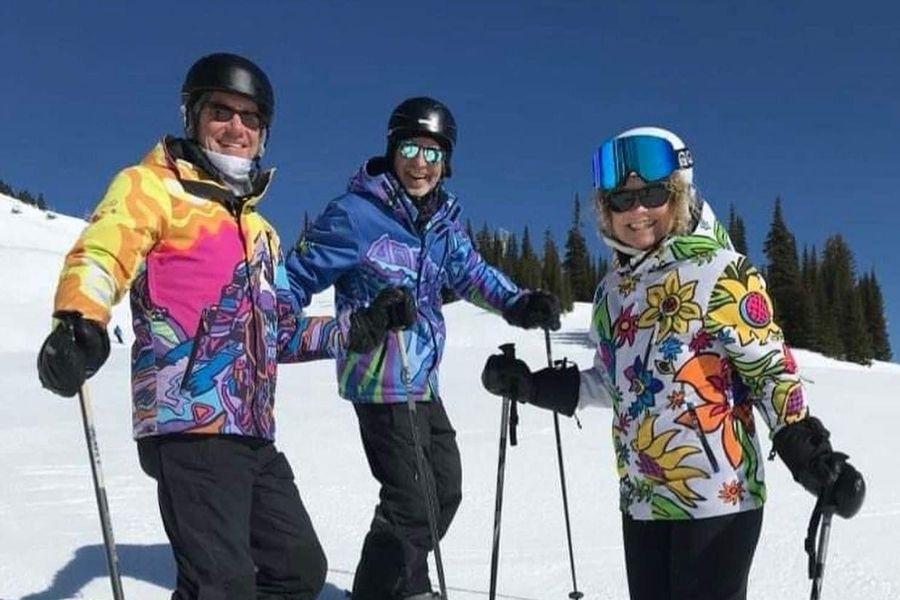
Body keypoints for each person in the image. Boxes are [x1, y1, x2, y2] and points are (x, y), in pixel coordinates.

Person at [481, 127, 866, 600]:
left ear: (679, 195)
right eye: (622, 200)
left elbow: (770, 372)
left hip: (718, 498)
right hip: (642, 498)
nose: (637, 211)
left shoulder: (724, 272)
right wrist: (532, 386)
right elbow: (614, 382)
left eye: (653, 195)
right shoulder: (612, 292)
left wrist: (812, 455)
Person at [36, 52, 341, 599]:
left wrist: (356, 331)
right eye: (221, 111)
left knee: (298, 570)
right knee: (222, 585)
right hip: (187, 424)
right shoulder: (152, 188)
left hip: (252, 431)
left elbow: (278, 332)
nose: (236, 128)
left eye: (251, 118)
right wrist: (80, 318)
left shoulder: (262, 233)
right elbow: (104, 251)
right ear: (193, 117)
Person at [285, 96, 561, 599]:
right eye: (410, 148)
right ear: (392, 150)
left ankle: (404, 584)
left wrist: (518, 303)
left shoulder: (442, 225)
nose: (420, 163)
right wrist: (353, 325)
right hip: (378, 382)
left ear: (445, 163)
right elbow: (292, 282)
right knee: (412, 502)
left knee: (444, 491)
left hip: (423, 383)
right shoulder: (354, 215)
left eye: (433, 153)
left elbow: (472, 273)